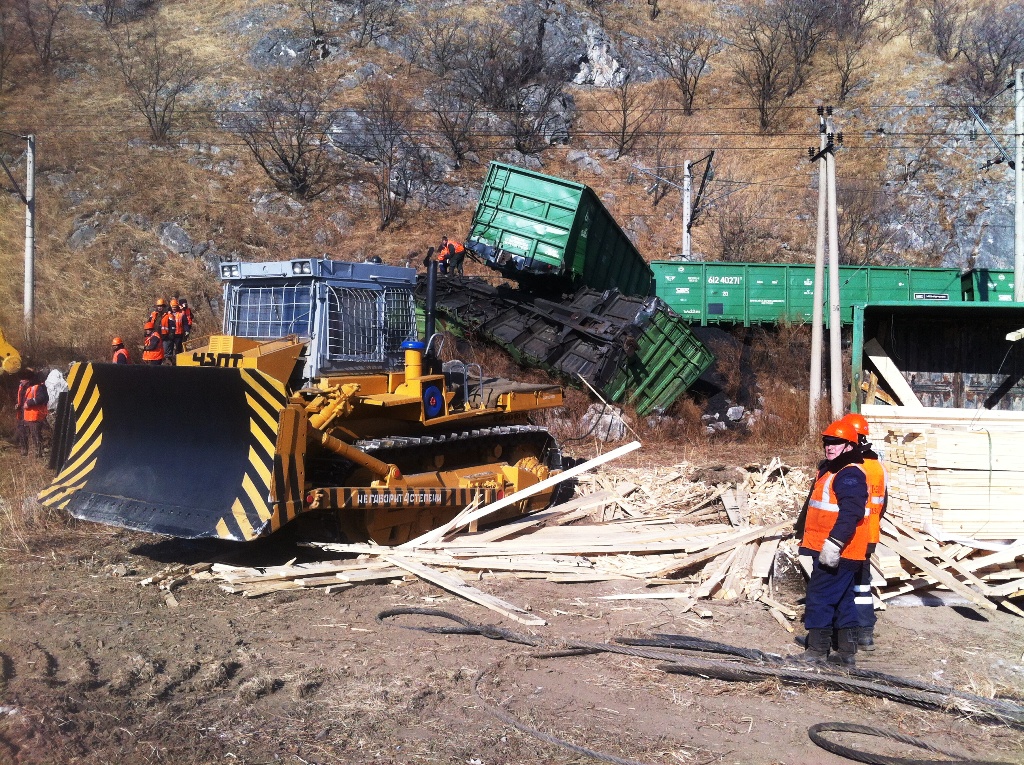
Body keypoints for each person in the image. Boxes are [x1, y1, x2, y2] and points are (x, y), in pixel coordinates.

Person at [792, 418, 871, 666]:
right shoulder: (835, 470)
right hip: (836, 549)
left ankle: (816, 653)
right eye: (827, 442)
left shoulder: (849, 475)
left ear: (849, 446)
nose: (830, 446)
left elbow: (851, 513)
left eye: (837, 442)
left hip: (839, 550)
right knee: (842, 598)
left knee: (820, 597)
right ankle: (846, 654)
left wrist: (834, 544)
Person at [842, 412, 888, 651]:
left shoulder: (851, 467)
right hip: (870, 534)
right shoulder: (878, 467)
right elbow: (883, 503)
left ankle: (846, 634)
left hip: (850, 534)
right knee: (862, 584)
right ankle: (865, 633)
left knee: (843, 583)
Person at [15, 369, 48, 458]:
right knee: (22, 433)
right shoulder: (21, 386)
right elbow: (21, 398)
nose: (20, 381)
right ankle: (24, 451)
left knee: (36, 435)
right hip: (22, 414)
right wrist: (18, 405)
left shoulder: (38, 387)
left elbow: (42, 398)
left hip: (34, 416)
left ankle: (39, 453)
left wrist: (29, 403)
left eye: (22, 379)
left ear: (27, 379)